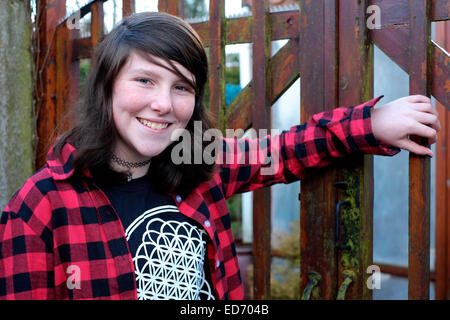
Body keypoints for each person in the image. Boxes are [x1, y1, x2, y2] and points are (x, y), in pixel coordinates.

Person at [0, 12, 440, 300]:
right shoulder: (40, 206)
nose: (163, 105)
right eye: (145, 81)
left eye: (181, 87)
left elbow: (284, 150)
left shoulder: (199, 162)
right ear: (107, 87)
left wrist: (372, 124)